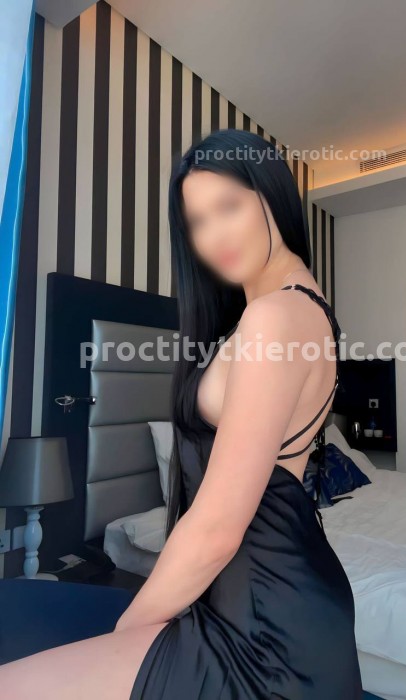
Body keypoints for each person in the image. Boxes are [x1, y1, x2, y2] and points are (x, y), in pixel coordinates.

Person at [0, 129, 362, 699]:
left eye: (229, 206)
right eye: (197, 221)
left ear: (270, 194)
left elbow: (216, 529)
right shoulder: (302, 309)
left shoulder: (275, 317)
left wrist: (126, 630)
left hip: (263, 631)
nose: (214, 235)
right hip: (268, 602)